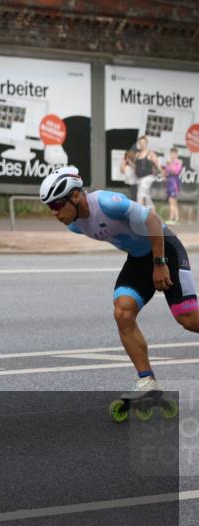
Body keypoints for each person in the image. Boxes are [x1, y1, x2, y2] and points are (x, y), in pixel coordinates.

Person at [40, 166, 199, 394]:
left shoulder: (107, 203)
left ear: (75, 196)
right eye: (50, 208)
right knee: (123, 312)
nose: (54, 213)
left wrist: (160, 263)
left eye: (56, 205)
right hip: (139, 259)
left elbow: (153, 220)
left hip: (165, 249)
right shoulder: (74, 225)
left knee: (189, 320)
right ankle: (148, 382)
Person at [134, 136, 161, 208]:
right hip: (139, 178)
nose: (142, 144)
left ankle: (139, 213)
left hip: (148, 177)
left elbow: (157, 164)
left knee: (140, 195)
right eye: (140, 143)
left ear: (146, 143)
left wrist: (162, 173)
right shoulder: (137, 154)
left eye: (143, 143)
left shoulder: (150, 153)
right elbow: (135, 166)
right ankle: (152, 211)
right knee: (146, 196)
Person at [164, 147, 183, 225]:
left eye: (174, 153)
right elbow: (166, 172)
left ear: (176, 154)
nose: (172, 155)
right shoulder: (169, 162)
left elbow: (176, 171)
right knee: (173, 202)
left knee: (172, 201)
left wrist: (170, 164)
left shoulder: (179, 162)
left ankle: (171, 218)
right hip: (169, 184)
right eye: (171, 153)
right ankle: (177, 219)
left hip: (174, 184)